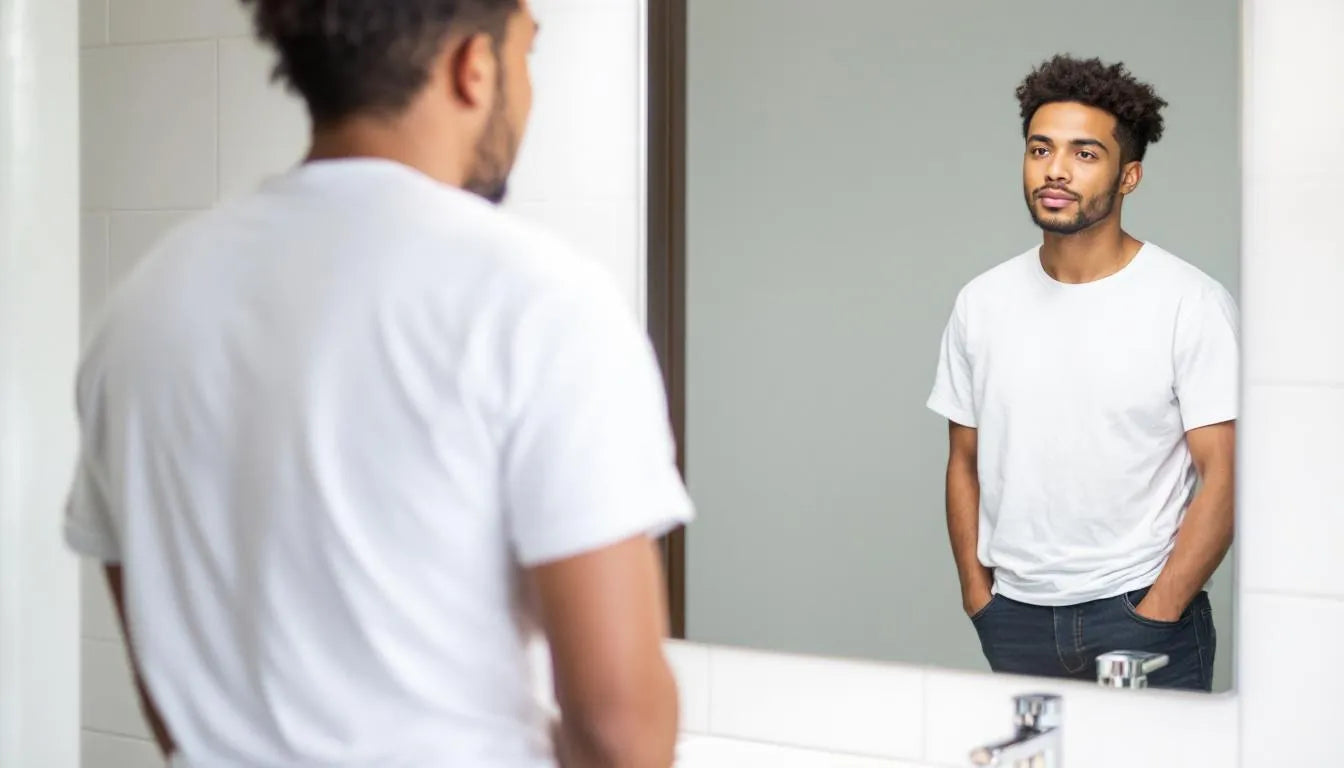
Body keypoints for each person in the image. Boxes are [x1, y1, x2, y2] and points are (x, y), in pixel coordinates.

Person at [63, 1, 693, 765]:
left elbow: (172, 688)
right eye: (528, 53)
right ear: (475, 66)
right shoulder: (534, 302)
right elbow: (618, 726)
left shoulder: (143, 309)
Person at [926, 54, 1237, 692]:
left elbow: (1228, 475)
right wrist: (978, 596)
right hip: (1013, 615)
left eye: (1085, 154)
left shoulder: (1188, 303)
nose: (1056, 170)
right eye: (1041, 149)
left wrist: (1161, 610)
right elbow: (963, 459)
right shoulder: (981, 303)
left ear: (1130, 176)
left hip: (1139, 613)